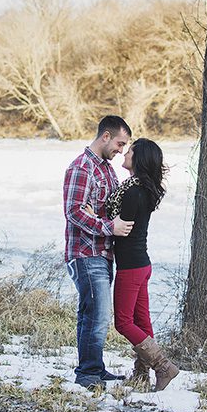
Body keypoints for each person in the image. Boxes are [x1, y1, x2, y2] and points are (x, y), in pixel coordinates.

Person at [63, 116, 134, 390]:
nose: (120, 149)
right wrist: (107, 226)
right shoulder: (82, 168)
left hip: (103, 252)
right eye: (119, 143)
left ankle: (93, 369)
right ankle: (88, 375)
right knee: (98, 314)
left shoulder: (106, 169)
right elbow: (75, 211)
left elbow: (108, 207)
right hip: (85, 252)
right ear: (105, 136)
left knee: (91, 313)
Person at [107, 138, 180, 392]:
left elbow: (120, 227)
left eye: (129, 151)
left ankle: (163, 367)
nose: (124, 154)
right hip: (141, 264)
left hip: (131, 267)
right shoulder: (141, 189)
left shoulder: (133, 192)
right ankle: (141, 374)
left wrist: (97, 217)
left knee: (123, 323)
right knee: (142, 321)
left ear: (138, 160)